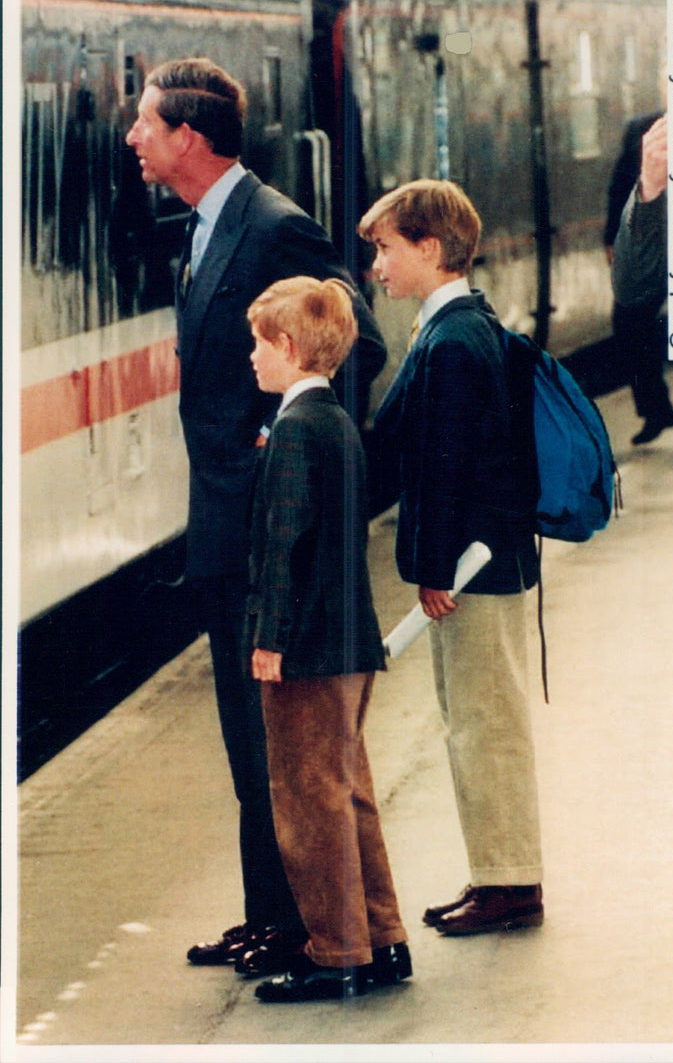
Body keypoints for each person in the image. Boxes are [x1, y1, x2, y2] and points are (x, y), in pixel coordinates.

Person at [125, 58, 387, 973]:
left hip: (257, 521)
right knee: (249, 740)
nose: (133, 139)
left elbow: (362, 340)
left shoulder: (274, 227)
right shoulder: (206, 228)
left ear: (187, 137)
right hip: (224, 526)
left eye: (145, 124)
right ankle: (268, 914)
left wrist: (286, 437)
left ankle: (302, 927)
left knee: (275, 743)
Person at [358, 179, 545, 937]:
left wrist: (432, 568)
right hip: (479, 566)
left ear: (429, 249)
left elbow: (446, 465)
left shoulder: (454, 339)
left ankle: (511, 884)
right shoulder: (459, 326)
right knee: (474, 720)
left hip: (473, 572)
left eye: (385, 248)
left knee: (485, 724)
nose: (377, 266)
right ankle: (496, 874)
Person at [242, 276, 409, 1001]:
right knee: (350, 795)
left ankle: (337, 952)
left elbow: (283, 546)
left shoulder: (294, 429)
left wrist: (267, 639)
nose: (250, 357)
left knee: (308, 804)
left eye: (257, 343)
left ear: (286, 347)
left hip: (306, 649)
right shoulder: (337, 421)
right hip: (349, 643)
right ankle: (383, 940)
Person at [612, 114, 673, 482]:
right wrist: (649, 189)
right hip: (660, 258)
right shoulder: (650, 135)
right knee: (630, 322)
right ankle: (656, 408)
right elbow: (619, 186)